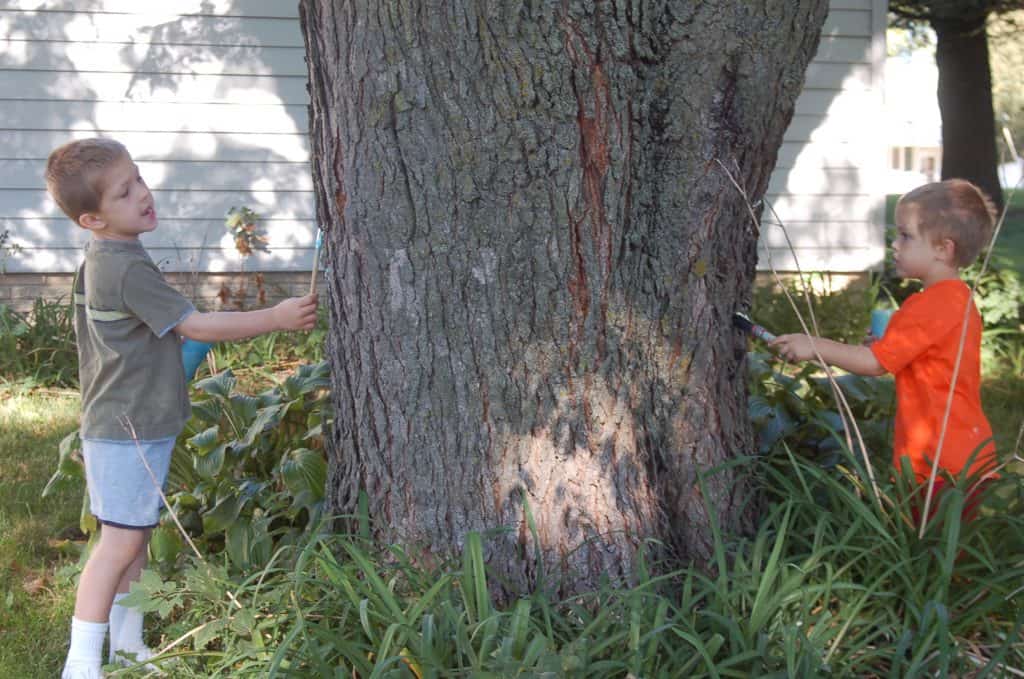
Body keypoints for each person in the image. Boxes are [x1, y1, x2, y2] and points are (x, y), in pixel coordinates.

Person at [45, 138, 319, 678]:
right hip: (126, 429)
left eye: (139, 179)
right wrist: (277, 317)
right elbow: (195, 326)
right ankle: (80, 666)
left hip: (128, 423)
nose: (143, 194)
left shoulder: (114, 251)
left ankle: (127, 648)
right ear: (92, 219)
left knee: (134, 539)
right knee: (117, 545)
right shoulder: (122, 266)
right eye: (125, 192)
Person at [771, 179, 998, 499]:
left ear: (942, 249)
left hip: (942, 464)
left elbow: (874, 364)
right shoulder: (956, 299)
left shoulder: (930, 305)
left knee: (928, 546)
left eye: (906, 236)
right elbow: (918, 360)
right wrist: (884, 347)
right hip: (964, 454)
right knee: (942, 547)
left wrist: (815, 346)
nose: (894, 244)